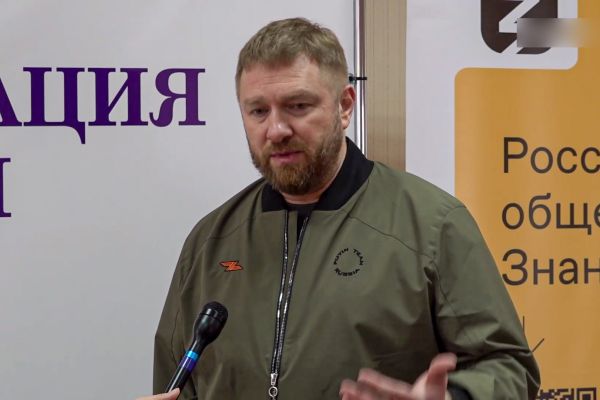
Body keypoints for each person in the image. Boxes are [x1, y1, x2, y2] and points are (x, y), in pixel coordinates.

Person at [137, 17, 540, 400]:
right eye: (258, 111)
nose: (276, 130)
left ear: (345, 106)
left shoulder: (431, 226)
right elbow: (176, 383)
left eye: (298, 106)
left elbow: (510, 368)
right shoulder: (211, 241)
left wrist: (455, 396)